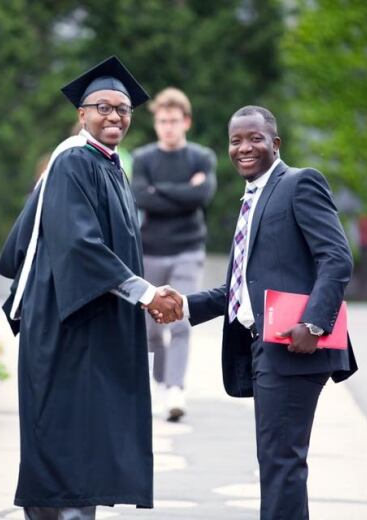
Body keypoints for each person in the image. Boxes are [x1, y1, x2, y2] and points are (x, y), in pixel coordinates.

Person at [0, 56, 182, 520]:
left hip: (89, 321)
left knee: (84, 432)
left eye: (123, 109)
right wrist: (145, 294)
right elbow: (80, 245)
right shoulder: (72, 163)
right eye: (103, 107)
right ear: (82, 113)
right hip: (64, 323)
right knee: (62, 433)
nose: (115, 116)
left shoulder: (111, 166)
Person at [153, 106, 358, 519]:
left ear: (275, 143)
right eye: (236, 140)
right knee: (276, 460)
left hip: (295, 344)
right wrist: (185, 306)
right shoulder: (251, 198)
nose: (244, 147)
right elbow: (240, 289)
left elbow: (337, 258)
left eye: (255, 138)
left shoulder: (300, 183)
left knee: (282, 461)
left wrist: (314, 324)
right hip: (263, 345)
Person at [132, 87, 216, 422]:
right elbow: (141, 197)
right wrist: (183, 191)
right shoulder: (143, 158)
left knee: (180, 318)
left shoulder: (201, 157)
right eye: (162, 121)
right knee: (151, 325)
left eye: (173, 121)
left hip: (188, 249)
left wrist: (160, 191)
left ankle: (175, 389)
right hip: (150, 250)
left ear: (186, 122)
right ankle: (159, 383)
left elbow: (203, 196)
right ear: (156, 123)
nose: (167, 127)